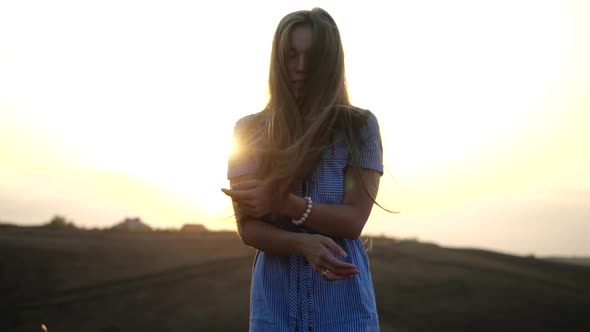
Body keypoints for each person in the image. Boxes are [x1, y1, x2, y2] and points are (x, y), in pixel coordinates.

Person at [222, 7, 384, 332]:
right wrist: (302, 244)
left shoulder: (358, 128)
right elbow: (248, 229)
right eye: (290, 55)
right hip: (274, 314)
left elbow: (353, 220)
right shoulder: (248, 132)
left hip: (343, 314)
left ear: (329, 62)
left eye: (311, 58)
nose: (299, 68)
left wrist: (284, 203)